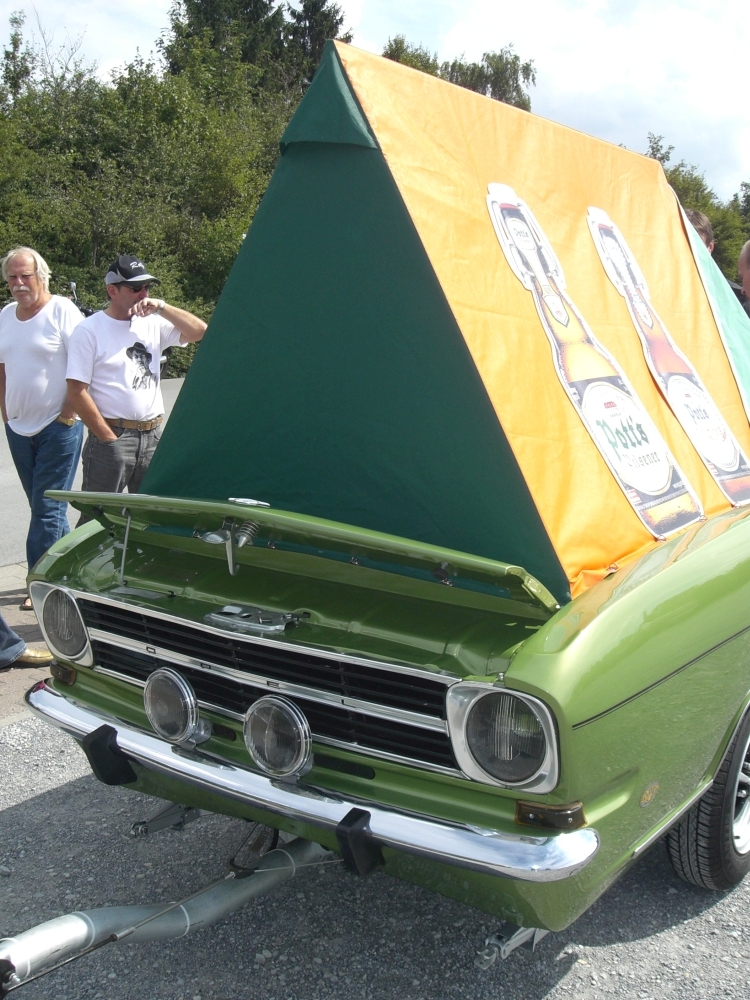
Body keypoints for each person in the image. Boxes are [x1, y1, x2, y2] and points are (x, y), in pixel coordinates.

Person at [65, 254, 207, 500]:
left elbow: (200, 331)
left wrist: (162, 307)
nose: (143, 294)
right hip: (113, 435)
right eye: (135, 288)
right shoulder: (89, 330)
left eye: (147, 287)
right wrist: (108, 438)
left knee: (150, 514)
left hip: (152, 435)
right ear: (112, 290)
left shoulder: (152, 323)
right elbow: (76, 391)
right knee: (100, 515)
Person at [0, 247, 84, 609]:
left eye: (26, 276)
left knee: (47, 509)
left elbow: (84, 364)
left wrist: (68, 412)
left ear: (42, 276)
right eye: (12, 277)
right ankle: (71, 572)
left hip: (58, 427)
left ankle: (41, 586)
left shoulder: (62, 310)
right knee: (44, 509)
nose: (19, 283)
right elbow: (2, 367)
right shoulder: (5, 315)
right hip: (18, 428)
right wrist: (6, 414)